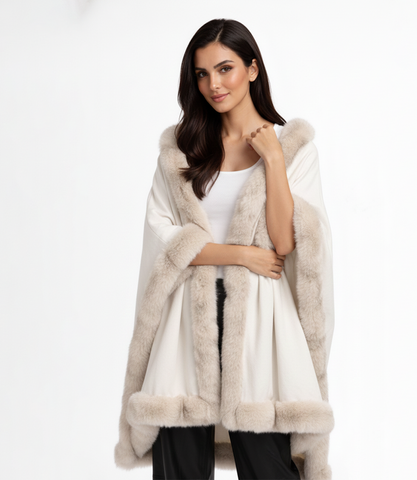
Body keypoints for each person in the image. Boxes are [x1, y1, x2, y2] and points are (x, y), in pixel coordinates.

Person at [114, 18, 335, 480]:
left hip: (259, 325)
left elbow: (286, 242)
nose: (213, 84)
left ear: (252, 69)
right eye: (202, 73)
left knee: (267, 465)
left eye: (225, 69)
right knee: (178, 466)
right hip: (184, 323)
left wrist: (273, 158)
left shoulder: (294, 150)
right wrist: (240, 254)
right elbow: (164, 239)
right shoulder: (181, 151)